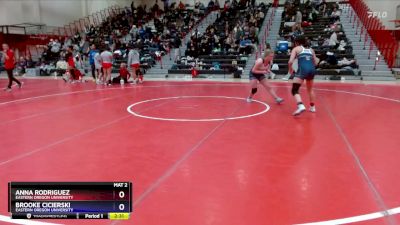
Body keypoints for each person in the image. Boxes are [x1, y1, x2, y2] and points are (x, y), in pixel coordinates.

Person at [288, 36, 319, 116]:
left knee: (294, 90)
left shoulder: (296, 48)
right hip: (311, 69)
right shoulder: (311, 50)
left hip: (303, 69)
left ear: (297, 42)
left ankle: (301, 105)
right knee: (310, 89)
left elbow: (290, 61)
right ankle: (313, 107)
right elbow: (316, 63)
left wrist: (290, 69)